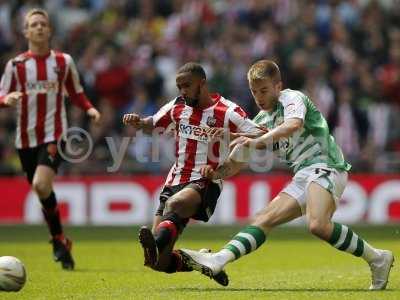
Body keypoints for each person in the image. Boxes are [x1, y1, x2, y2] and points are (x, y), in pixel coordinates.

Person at [180, 60, 394, 290]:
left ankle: (377, 258)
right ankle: (218, 260)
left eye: (264, 90)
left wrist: (256, 140)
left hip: (327, 165)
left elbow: (292, 125)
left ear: (278, 86)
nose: (259, 97)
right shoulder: (260, 122)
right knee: (263, 219)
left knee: (318, 225)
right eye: (254, 92)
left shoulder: (292, 99)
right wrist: (214, 173)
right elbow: (234, 164)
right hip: (304, 174)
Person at [122, 62, 262, 286]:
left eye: (187, 86)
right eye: (179, 87)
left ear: (202, 84)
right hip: (175, 179)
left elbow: (261, 136)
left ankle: (156, 243)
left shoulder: (228, 111)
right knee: (158, 262)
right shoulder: (177, 106)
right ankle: (201, 260)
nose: (182, 91)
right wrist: (139, 122)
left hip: (206, 180)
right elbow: (153, 124)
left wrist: (230, 135)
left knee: (176, 205)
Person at [0, 8, 101, 270]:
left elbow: (76, 92)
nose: (39, 28)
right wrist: (6, 99)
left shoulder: (63, 62)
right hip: (25, 140)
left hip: (54, 134)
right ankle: (60, 240)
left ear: (50, 30)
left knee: (40, 184)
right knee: (42, 190)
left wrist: (89, 108)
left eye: (43, 24)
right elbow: (1, 95)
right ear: (26, 32)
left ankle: (57, 239)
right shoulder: (16, 65)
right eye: (34, 24)